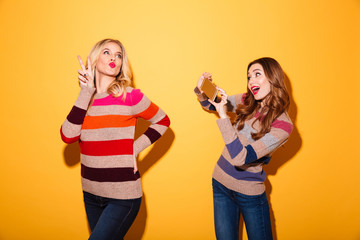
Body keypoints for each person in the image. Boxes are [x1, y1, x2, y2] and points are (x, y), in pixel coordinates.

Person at [60, 38, 170, 240]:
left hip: (123, 196)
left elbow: (163, 120)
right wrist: (85, 92)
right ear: (94, 59)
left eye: (118, 55)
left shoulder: (130, 96)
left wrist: (134, 148)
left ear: (121, 64)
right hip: (91, 193)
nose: (113, 58)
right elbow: (68, 136)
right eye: (107, 52)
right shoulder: (86, 99)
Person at [194, 57, 293, 240]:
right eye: (249, 77)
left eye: (257, 74)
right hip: (220, 183)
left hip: (249, 193)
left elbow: (241, 158)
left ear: (273, 78)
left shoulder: (283, 126)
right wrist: (202, 89)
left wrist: (224, 117)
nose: (251, 81)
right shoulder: (248, 100)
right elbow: (210, 105)